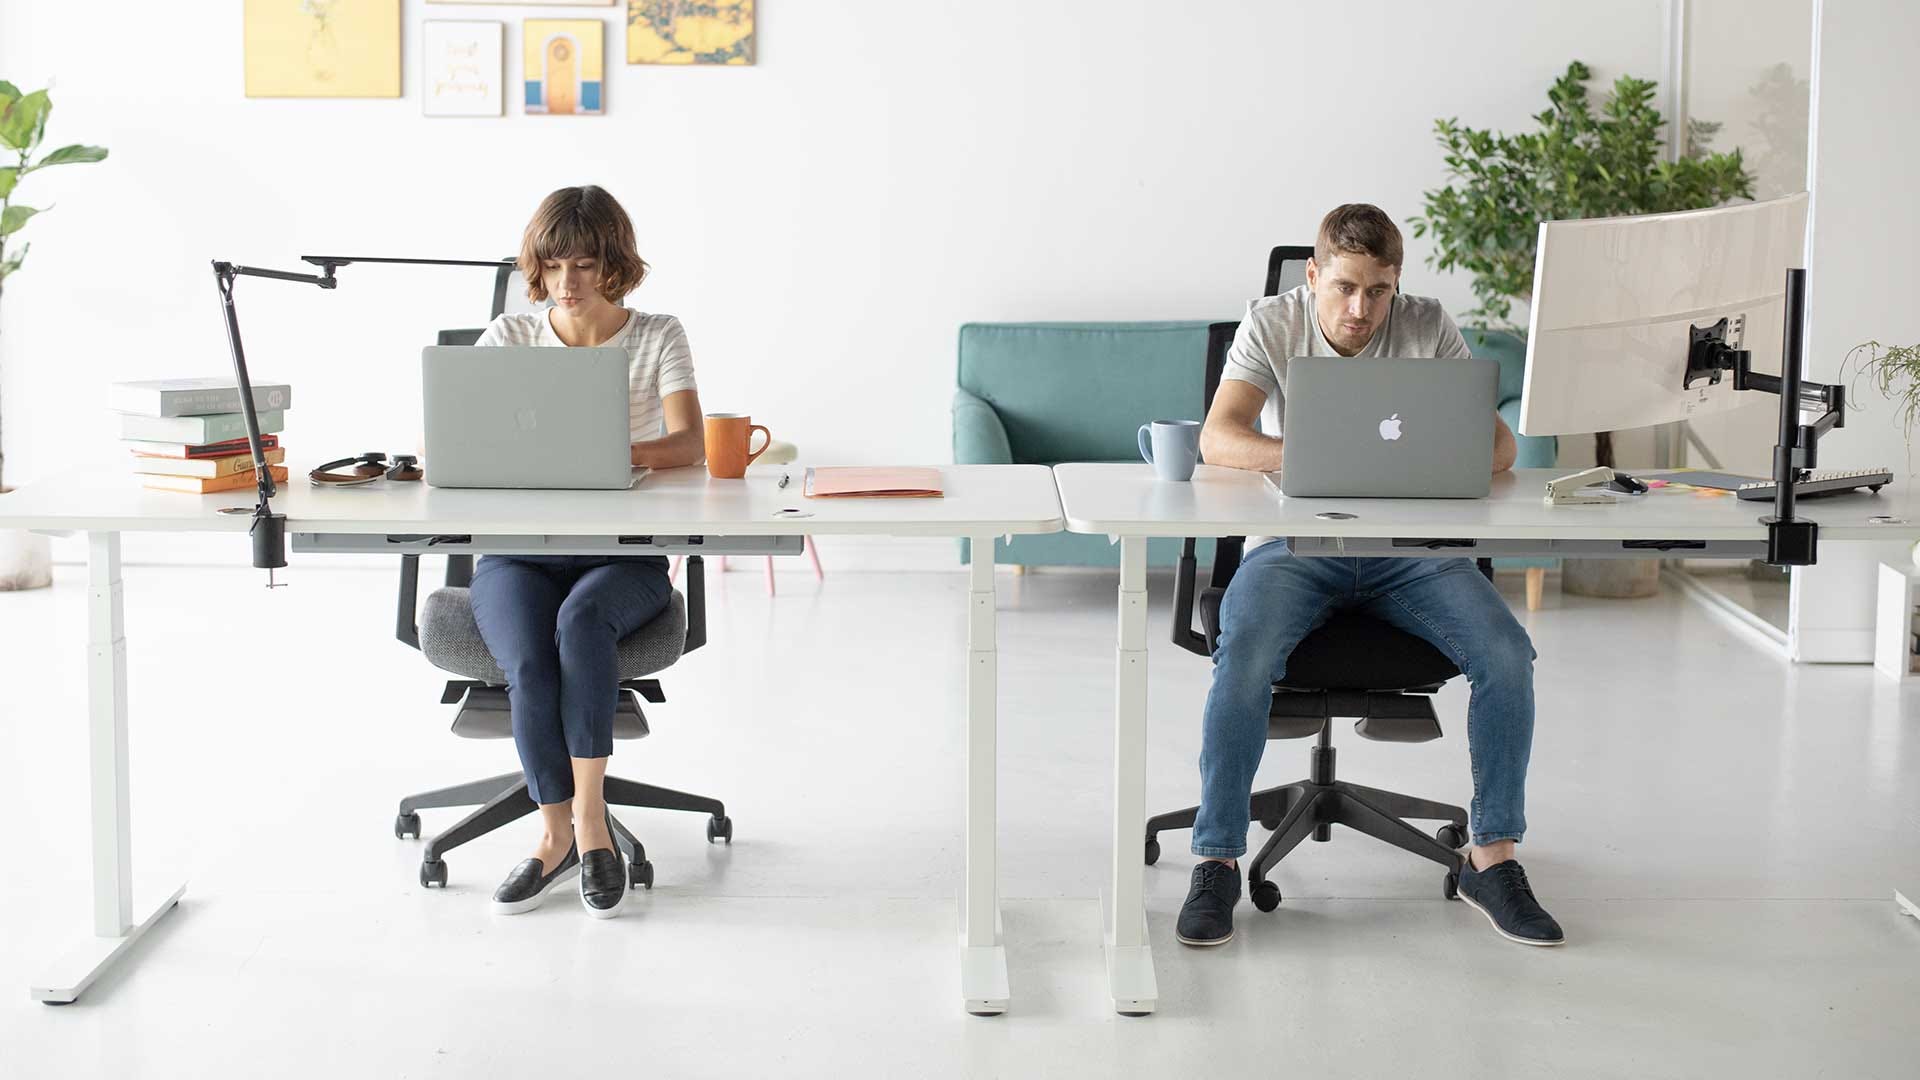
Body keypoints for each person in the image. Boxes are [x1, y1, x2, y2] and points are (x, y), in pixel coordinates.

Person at [1175, 203, 1563, 948]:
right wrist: (1313, 456)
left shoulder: (1426, 324)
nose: (1362, 310)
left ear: (1397, 283)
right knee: (1244, 653)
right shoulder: (1272, 322)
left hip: (1409, 550)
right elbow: (1220, 440)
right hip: (1293, 547)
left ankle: (1491, 858)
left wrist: (1405, 467)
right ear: (1315, 275)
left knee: (1508, 654)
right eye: (1345, 288)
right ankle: (1219, 857)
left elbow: (1501, 449)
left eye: (1379, 291)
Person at [466, 185, 705, 918]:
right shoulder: (509, 337)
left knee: (580, 625)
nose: (568, 283)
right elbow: (450, 438)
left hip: (622, 555)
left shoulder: (657, 333)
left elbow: (690, 444)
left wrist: (607, 450)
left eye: (585, 263)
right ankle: (552, 833)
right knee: (531, 657)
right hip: (516, 555)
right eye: (554, 265)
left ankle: (591, 824)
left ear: (614, 264)